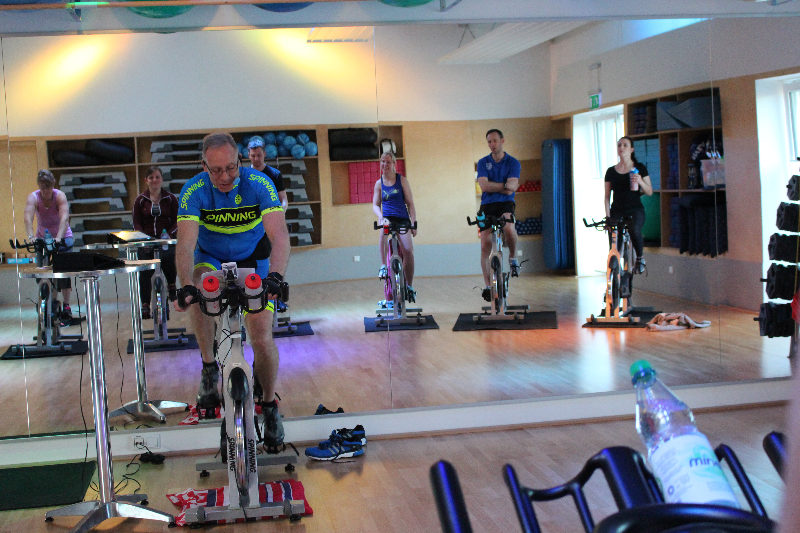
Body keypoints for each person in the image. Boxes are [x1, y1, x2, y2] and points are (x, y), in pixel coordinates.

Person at [174, 132, 290, 450]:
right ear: (204, 166)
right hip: (211, 259)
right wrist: (184, 285)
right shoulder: (194, 190)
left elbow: (280, 236)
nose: (225, 177)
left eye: (230, 168)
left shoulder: (260, 183)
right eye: (216, 170)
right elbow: (185, 244)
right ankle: (209, 366)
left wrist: (276, 277)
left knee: (261, 337)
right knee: (199, 288)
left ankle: (269, 405)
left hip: (254, 260)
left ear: (240, 160)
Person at [23, 169, 74, 325]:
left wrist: (59, 237)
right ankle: (48, 300)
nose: (46, 191)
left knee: (63, 273)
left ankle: (66, 305)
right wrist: (31, 236)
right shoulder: (34, 197)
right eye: (43, 188)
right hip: (42, 237)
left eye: (49, 187)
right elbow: (28, 217)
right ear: (39, 186)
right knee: (42, 272)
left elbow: (64, 218)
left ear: (53, 185)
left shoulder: (59, 196)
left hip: (62, 236)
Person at [476, 129, 520, 302]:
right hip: (487, 205)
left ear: (502, 141)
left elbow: (513, 187)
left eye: (495, 141)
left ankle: (513, 258)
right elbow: (484, 186)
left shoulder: (513, 162)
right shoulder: (483, 162)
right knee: (485, 244)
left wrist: (494, 186)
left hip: (505, 203)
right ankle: (488, 286)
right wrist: (504, 186)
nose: (492, 144)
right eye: (489, 142)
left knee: (509, 227)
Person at [132, 165, 179, 319]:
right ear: (146, 180)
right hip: (146, 242)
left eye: (157, 177)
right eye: (151, 177)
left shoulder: (170, 199)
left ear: (162, 179)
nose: (154, 180)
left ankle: (172, 286)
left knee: (169, 259)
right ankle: (145, 304)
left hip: (166, 240)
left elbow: (178, 220)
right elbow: (136, 222)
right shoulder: (140, 200)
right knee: (145, 272)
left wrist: (168, 234)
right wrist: (143, 238)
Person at [372, 151, 418, 303]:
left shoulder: (402, 180)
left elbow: (410, 203)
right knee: (383, 230)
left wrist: (413, 223)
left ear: (394, 164)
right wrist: (380, 216)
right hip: (388, 219)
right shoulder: (379, 184)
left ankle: (409, 286)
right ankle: (383, 266)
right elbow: (375, 205)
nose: (384, 164)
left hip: (402, 219)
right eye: (382, 161)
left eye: (388, 161)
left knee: (408, 251)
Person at [604, 136, 653, 273]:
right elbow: (607, 197)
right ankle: (615, 266)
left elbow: (649, 191)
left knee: (634, 229)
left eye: (625, 145)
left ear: (631, 149)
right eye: (619, 145)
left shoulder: (639, 168)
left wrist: (640, 181)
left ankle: (640, 258)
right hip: (617, 209)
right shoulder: (611, 171)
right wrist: (608, 217)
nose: (621, 148)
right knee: (614, 237)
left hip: (635, 209)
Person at [248, 136, 288, 210]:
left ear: (264, 154)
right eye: (253, 156)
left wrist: (281, 212)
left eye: (259, 155)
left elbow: (283, 200)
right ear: (249, 156)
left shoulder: (275, 174)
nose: (256, 159)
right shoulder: (243, 175)